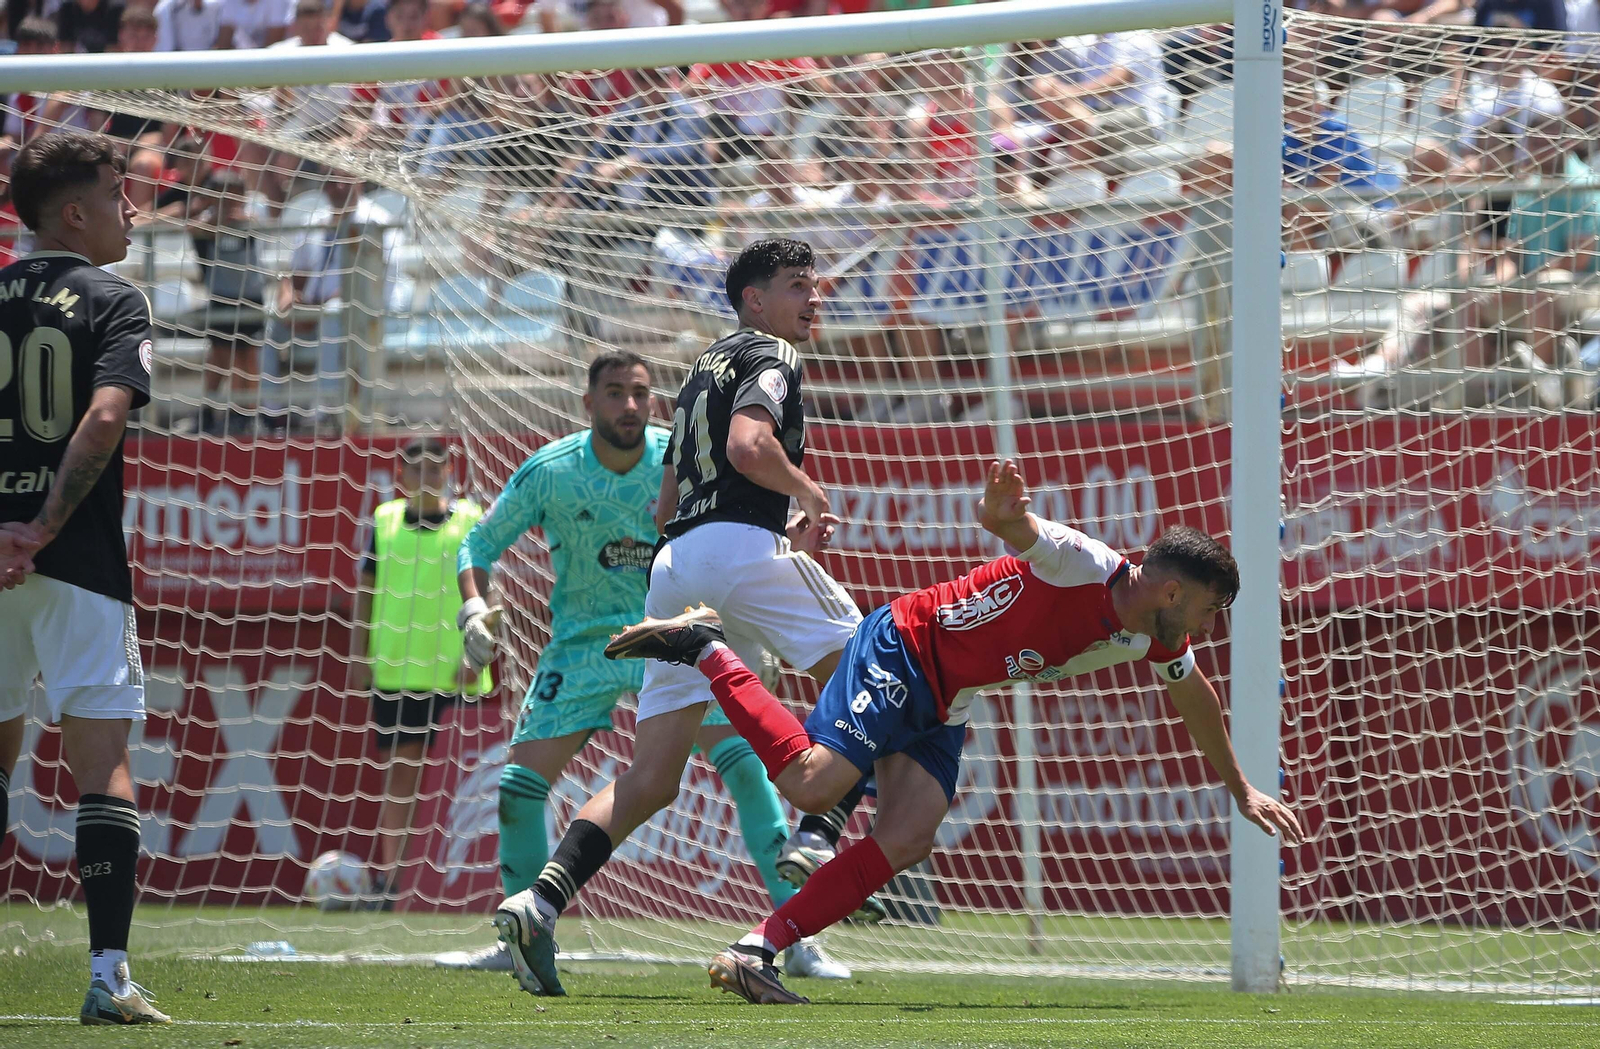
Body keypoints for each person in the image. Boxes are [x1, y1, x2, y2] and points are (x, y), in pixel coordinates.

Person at [607, 460, 1308, 1004]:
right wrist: (1001, 518)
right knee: (814, 785)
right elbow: (1027, 535)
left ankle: (755, 948)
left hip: (950, 696)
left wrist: (1240, 785)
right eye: (1210, 611)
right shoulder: (1083, 562)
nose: (1208, 629)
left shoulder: (1149, 636)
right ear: (1173, 592)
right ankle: (705, 646)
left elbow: (1197, 698)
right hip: (904, 647)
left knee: (910, 835)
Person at [491, 239, 874, 998]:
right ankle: (819, 833)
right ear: (754, 301)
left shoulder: (700, 371)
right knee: (882, 669)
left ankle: (540, 899)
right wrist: (809, 495)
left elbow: (666, 506)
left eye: (816, 285)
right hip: (738, 547)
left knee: (649, 777)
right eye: (799, 285)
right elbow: (749, 444)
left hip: (673, 569)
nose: (814, 298)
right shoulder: (772, 354)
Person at [434, 350, 849, 981]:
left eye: (640, 393)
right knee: (520, 785)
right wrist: (472, 607)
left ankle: (796, 936)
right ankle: (517, 929)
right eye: (616, 394)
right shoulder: (551, 470)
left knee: (743, 766)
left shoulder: (677, 452)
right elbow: (479, 542)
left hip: (680, 631)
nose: (631, 406)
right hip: (585, 644)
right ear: (588, 403)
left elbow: (722, 535)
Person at [0, 130, 170, 1025]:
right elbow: (104, 418)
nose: (132, 207)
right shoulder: (113, 297)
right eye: (118, 191)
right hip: (77, 562)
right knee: (101, 768)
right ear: (75, 212)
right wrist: (43, 527)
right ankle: (108, 975)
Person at [350, 436, 489, 905]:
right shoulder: (384, 522)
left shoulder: (471, 520)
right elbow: (365, 592)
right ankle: (393, 882)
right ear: (401, 477)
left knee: (463, 780)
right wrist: (358, 654)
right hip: (398, 672)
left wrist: (476, 657)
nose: (428, 478)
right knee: (402, 777)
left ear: (450, 472)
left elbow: (492, 595)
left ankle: (463, 884)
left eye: (437, 469)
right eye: (418, 470)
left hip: (458, 675)